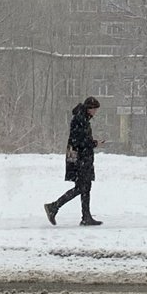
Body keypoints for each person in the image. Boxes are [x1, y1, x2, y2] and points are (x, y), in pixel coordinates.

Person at [44, 96, 103, 226]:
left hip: (82, 158)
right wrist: (94, 143)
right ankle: (54, 207)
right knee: (81, 187)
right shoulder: (80, 119)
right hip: (79, 159)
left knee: (86, 187)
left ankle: (86, 217)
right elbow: (80, 141)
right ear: (89, 108)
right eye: (95, 109)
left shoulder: (82, 118)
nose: (95, 112)